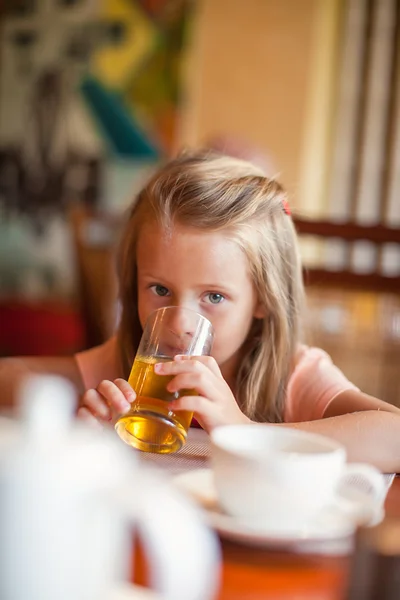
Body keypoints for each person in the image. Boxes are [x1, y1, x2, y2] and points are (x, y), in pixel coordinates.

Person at [1, 150, 400, 471]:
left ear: (262, 298)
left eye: (213, 297)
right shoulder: (130, 366)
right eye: (159, 289)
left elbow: (394, 436)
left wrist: (244, 431)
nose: (177, 323)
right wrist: (74, 427)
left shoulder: (295, 374)